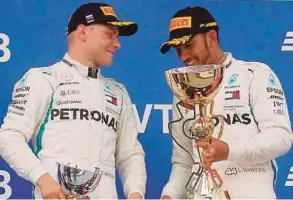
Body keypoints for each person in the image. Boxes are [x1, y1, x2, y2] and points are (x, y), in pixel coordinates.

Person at [0, 2, 146, 199]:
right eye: (109, 34)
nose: (117, 43)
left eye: (117, 36)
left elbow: (130, 154)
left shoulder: (118, 92)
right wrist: (43, 179)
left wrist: (135, 193)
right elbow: (8, 136)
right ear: (83, 33)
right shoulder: (43, 78)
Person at [160, 6, 292, 199]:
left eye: (189, 45)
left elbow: (280, 137)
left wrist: (229, 151)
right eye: (178, 50)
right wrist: (169, 195)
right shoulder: (183, 89)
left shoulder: (254, 74)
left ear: (211, 37)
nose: (183, 57)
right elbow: (184, 162)